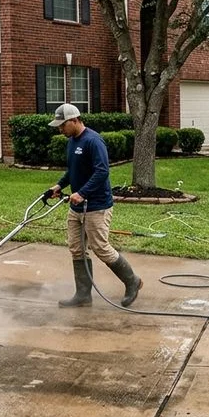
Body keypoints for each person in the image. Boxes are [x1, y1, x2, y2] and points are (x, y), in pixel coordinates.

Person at [46, 104, 142, 308]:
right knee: (76, 248)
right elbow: (73, 170)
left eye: (62, 125)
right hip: (77, 207)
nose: (60, 129)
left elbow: (102, 172)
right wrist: (59, 185)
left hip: (97, 205)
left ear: (74, 121)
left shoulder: (93, 141)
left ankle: (132, 280)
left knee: (101, 247)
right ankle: (83, 294)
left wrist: (82, 193)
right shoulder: (71, 142)